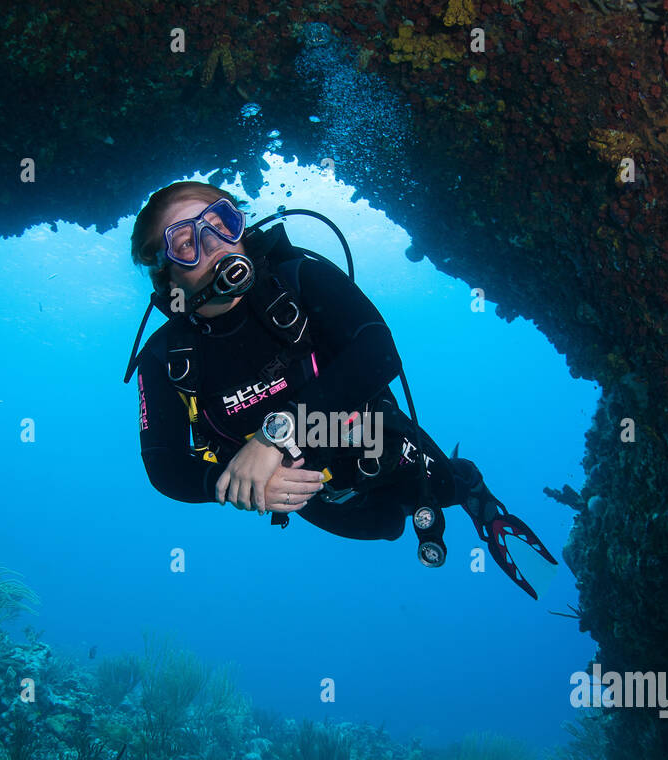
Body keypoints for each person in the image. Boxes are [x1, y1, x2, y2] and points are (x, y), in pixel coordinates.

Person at [124, 180, 555, 598]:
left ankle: (478, 498)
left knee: (442, 490)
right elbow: (163, 465)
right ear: (164, 275)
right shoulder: (163, 358)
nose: (215, 242)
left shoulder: (299, 278)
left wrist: (274, 436)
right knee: (383, 528)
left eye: (221, 222)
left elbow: (378, 351)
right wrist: (232, 482)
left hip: (371, 433)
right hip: (307, 488)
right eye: (186, 242)